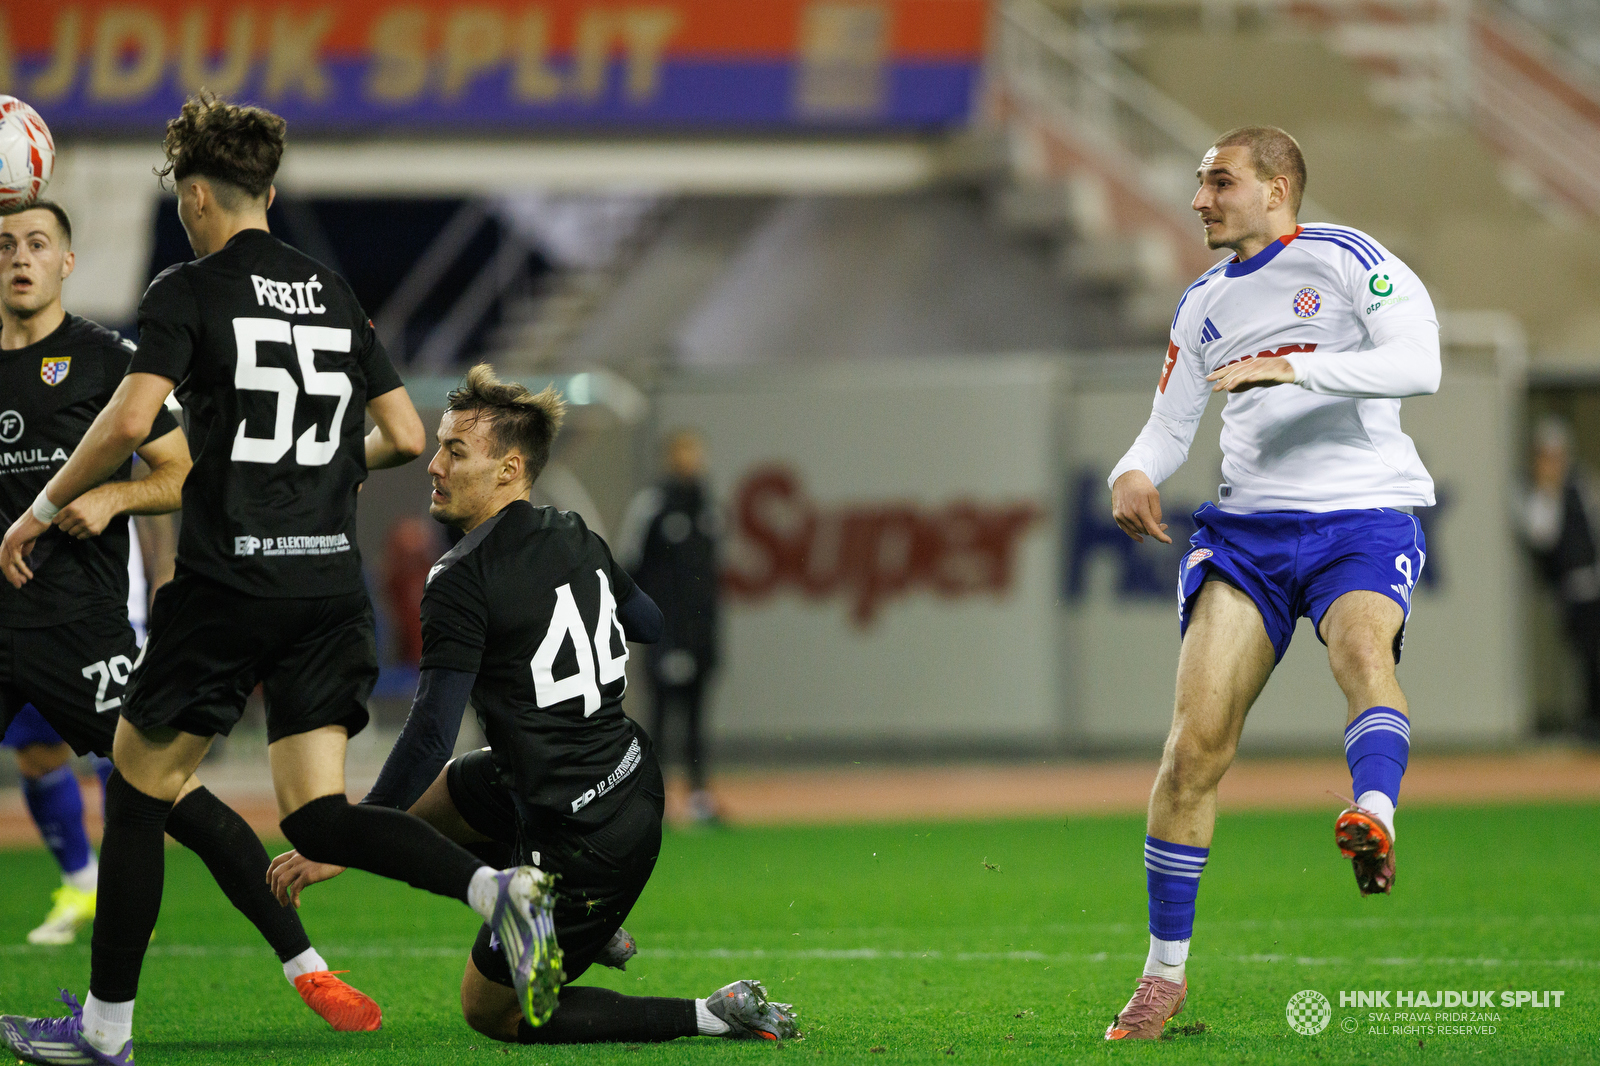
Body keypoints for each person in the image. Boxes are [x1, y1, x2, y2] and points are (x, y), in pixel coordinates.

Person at [0, 96, 558, 1066]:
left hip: (228, 589)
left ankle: (104, 1034)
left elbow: (131, 424)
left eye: (180, 191)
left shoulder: (188, 288)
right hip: (326, 591)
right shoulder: (334, 292)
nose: (180, 207)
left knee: (137, 792)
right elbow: (405, 436)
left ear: (202, 193)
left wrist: (43, 507)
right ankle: (493, 887)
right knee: (318, 815)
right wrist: (320, 473)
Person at [267, 366, 800, 1044]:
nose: (433, 464)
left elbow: (431, 733)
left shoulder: (459, 580)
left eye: (456, 451)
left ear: (509, 469)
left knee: (493, 1014)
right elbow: (652, 621)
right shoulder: (573, 532)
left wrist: (343, 837)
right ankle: (568, 918)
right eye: (439, 445)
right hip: (622, 776)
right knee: (453, 794)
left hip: (590, 837)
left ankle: (709, 1014)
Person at [0, 200, 381, 1025]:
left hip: (79, 628)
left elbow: (182, 474)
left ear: (68, 262)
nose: (19, 259)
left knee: (175, 801)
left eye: (37, 244)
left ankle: (305, 964)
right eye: (5, 245)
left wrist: (110, 498)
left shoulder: (111, 361)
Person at [1102, 126, 1440, 1039]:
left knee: (1362, 649)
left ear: (1278, 188)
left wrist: (1297, 365)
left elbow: (1421, 364)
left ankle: (1373, 814)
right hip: (1248, 533)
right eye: (1199, 183)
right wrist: (1132, 471)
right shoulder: (1202, 303)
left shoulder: (1348, 261)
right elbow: (1169, 426)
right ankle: (1162, 977)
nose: (1201, 198)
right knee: (1193, 751)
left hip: (1362, 515)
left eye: (1219, 181)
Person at [5, 512, 165, 946]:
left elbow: (153, 488)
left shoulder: (106, 441)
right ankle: (82, 881)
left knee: (122, 750)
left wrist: (161, 579)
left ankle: (128, 892)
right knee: (37, 752)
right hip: (24, 609)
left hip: (103, 606)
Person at [618, 429, 722, 822]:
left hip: (702, 634)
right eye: (684, 452)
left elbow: (710, 577)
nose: (692, 461)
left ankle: (699, 799)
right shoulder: (652, 505)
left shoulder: (709, 506)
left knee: (697, 719)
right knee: (660, 719)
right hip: (664, 633)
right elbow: (629, 567)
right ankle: (652, 800)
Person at [1522, 415, 1600, 741]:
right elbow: (1541, 535)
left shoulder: (1582, 484)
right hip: (1570, 592)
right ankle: (1589, 720)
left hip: (1595, 584)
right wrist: (1548, 490)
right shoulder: (1538, 497)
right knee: (1587, 658)